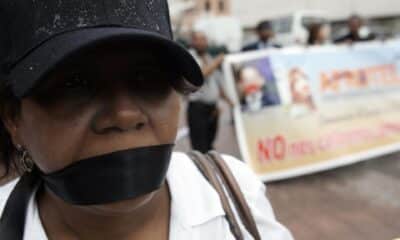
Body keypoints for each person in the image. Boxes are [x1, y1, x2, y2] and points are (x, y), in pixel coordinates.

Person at [0, 0, 293, 239]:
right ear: (14, 119)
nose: (124, 115)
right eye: (74, 84)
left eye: (148, 78)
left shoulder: (236, 193)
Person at [187, 31, 233, 153]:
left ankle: (210, 170)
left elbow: (218, 83)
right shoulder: (190, 57)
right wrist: (216, 62)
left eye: (204, 39)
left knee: (210, 144)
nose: (202, 43)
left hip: (212, 109)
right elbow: (200, 75)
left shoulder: (208, 58)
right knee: (199, 146)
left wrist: (229, 101)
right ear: (192, 42)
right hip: (198, 108)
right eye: (199, 40)